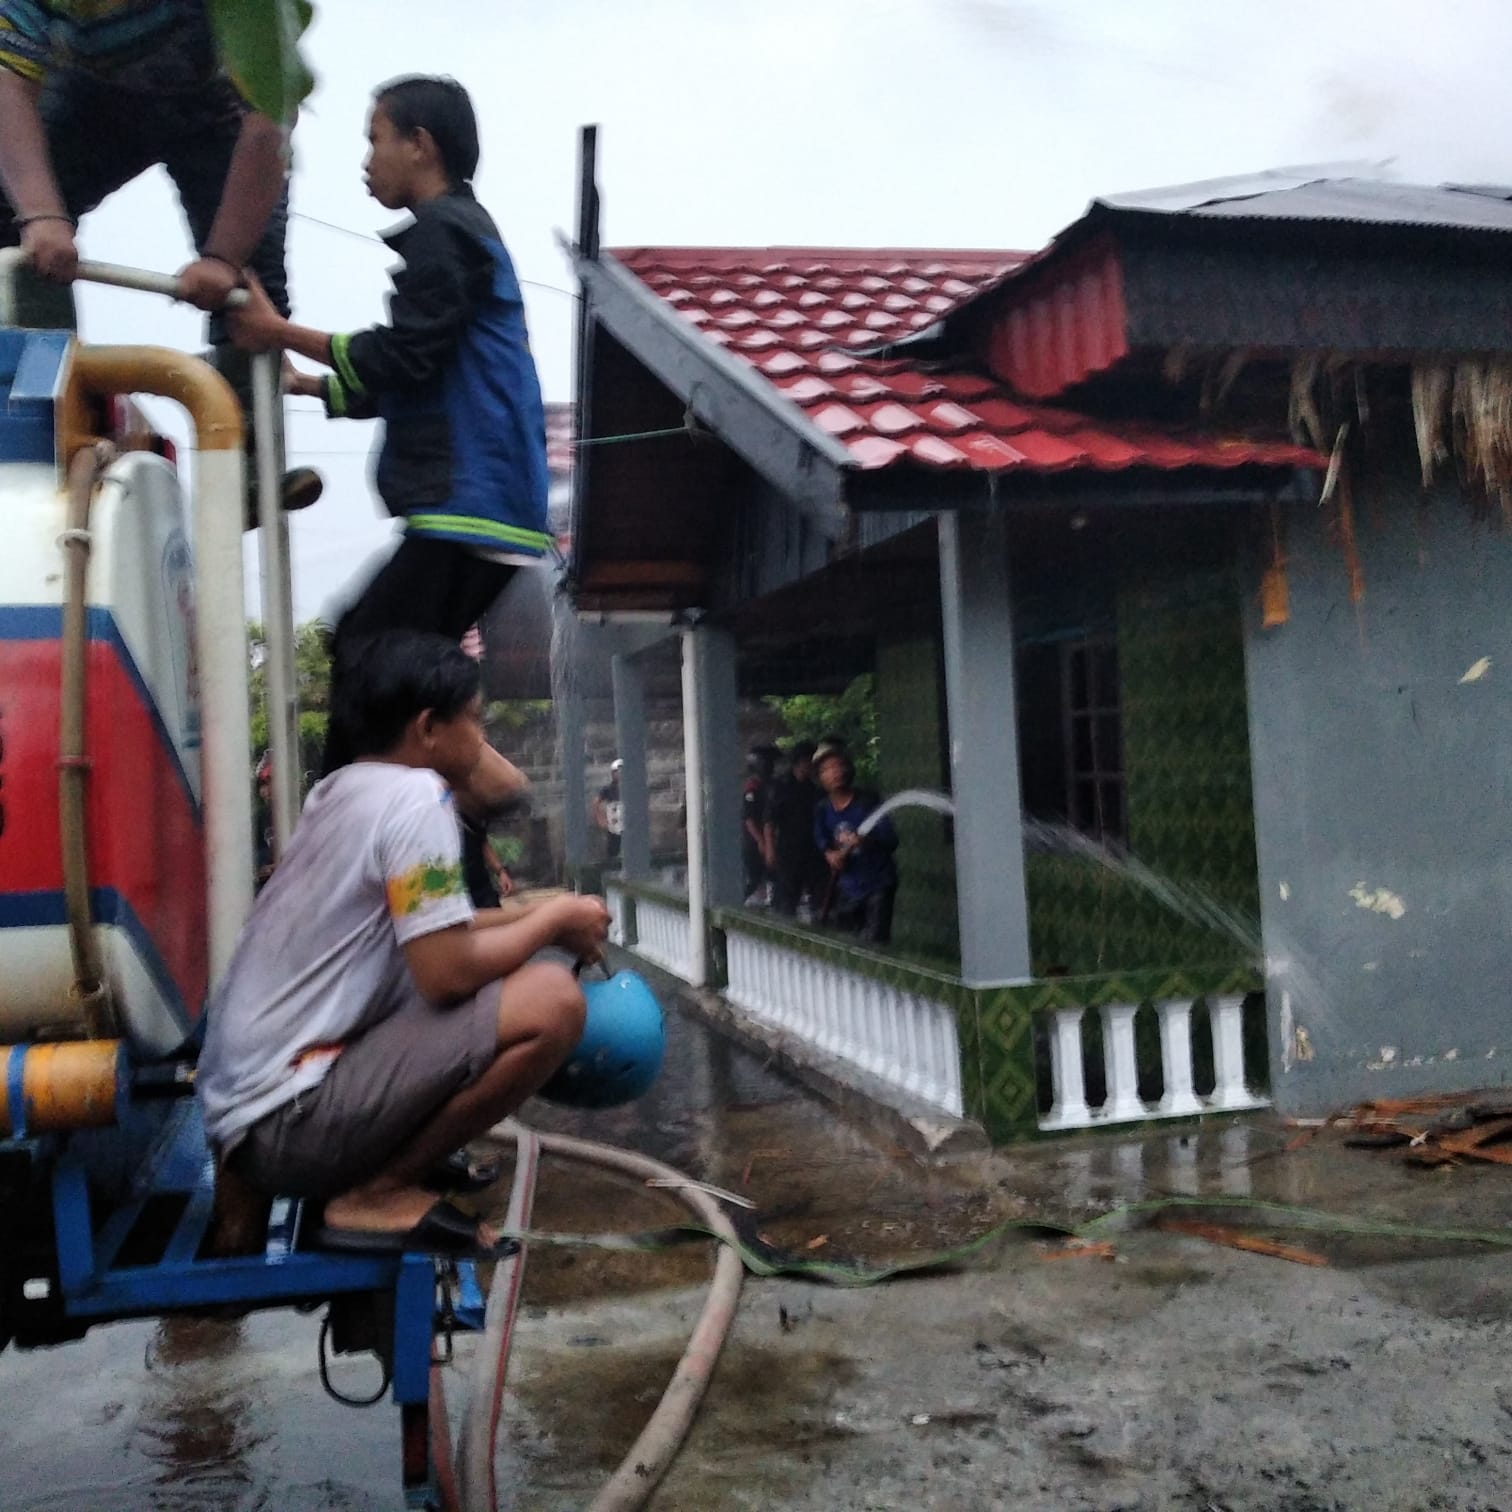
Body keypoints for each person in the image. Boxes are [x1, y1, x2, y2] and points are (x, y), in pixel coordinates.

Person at [198, 628, 608, 1259]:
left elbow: (438, 924)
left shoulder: (343, 788)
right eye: (474, 720)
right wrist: (551, 926)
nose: (481, 738)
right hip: (287, 1122)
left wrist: (547, 909)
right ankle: (378, 1193)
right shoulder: (419, 800)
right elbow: (447, 970)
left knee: (517, 971)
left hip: (248, 1116)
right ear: (428, 730)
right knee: (553, 1001)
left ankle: (387, 1172)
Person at [227, 74, 551, 774]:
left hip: (473, 503)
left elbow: (404, 356)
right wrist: (310, 383)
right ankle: (448, 835)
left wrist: (277, 330)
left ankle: (353, 822)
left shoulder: (446, 232)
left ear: (420, 145)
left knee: (367, 653)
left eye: (375, 140)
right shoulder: (461, 233)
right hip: (487, 504)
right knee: (408, 682)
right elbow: (421, 371)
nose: (367, 160)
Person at [0, 0, 319, 517]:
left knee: (252, 286)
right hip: (92, 91)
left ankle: (247, 473)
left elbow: (270, 117)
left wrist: (223, 257)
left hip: (220, 99)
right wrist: (41, 215)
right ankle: (46, 418)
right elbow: (9, 82)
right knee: (10, 219)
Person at [813, 747, 899, 946]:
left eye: (838, 766)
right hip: (849, 888)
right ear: (820, 777)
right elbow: (821, 838)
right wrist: (830, 854)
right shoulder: (823, 809)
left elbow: (891, 840)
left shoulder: (867, 802)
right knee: (848, 943)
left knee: (876, 944)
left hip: (877, 884)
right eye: (827, 769)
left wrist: (865, 841)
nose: (835, 772)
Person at [763, 740, 825, 919]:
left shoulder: (814, 789)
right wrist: (769, 848)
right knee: (788, 895)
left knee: (817, 895)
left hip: (811, 849)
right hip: (788, 849)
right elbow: (769, 820)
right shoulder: (781, 786)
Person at [742, 745, 777, 906]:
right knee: (754, 877)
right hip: (754, 840)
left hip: (770, 837)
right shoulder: (752, 787)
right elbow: (749, 818)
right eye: (766, 762)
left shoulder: (772, 785)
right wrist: (760, 841)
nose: (770, 766)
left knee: (773, 874)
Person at [593, 759, 624, 862]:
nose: (620, 774)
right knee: (613, 848)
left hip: (628, 823)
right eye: (617, 772)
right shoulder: (608, 789)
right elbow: (596, 802)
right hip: (615, 823)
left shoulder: (631, 787)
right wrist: (600, 820)